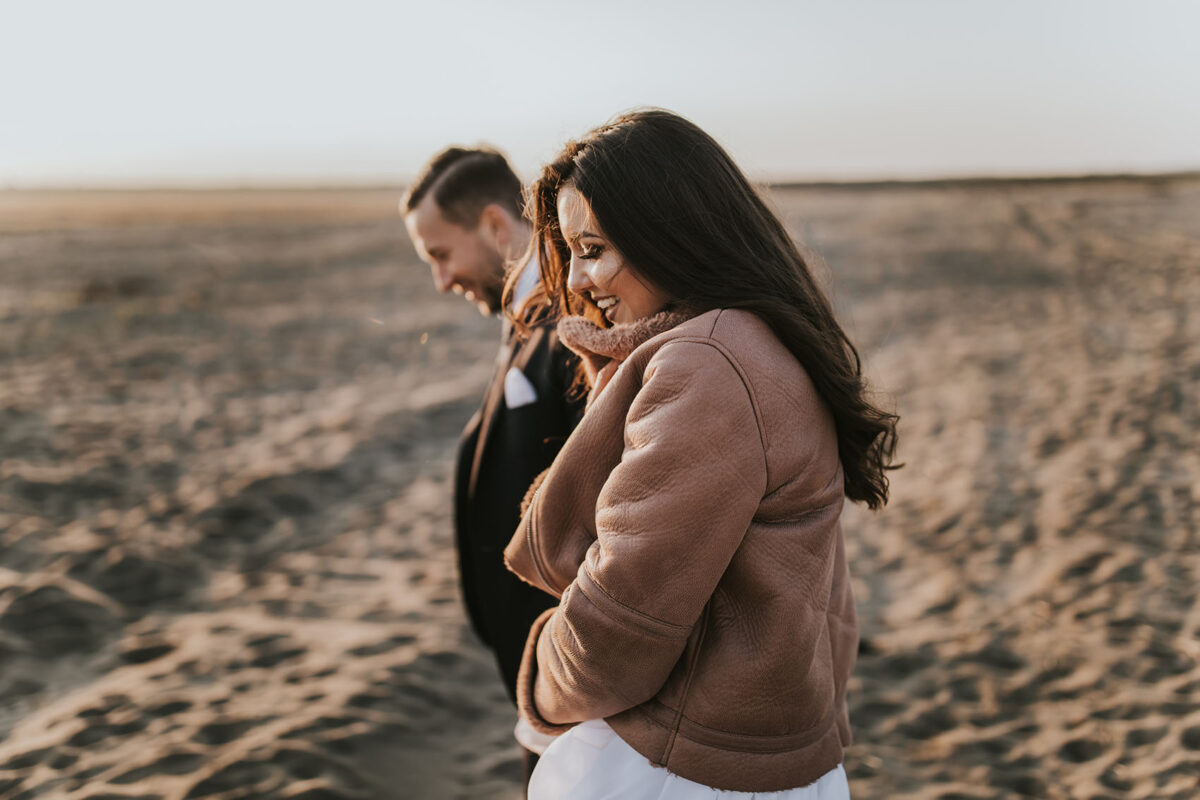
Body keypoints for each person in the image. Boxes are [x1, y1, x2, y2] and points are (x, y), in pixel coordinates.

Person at [502, 110, 899, 799]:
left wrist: (541, 678)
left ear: (669, 232)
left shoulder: (709, 363)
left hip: (681, 771)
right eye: (572, 252)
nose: (580, 279)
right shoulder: (752, 340)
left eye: (592, 248)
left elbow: (616, 632)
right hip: (758, 758)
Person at [401, 146, 585, 784]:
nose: (441, 280)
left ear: (495, 226)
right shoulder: (526, 315)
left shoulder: (572, 320)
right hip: (540, 679)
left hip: (572, 685)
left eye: (440, 254)